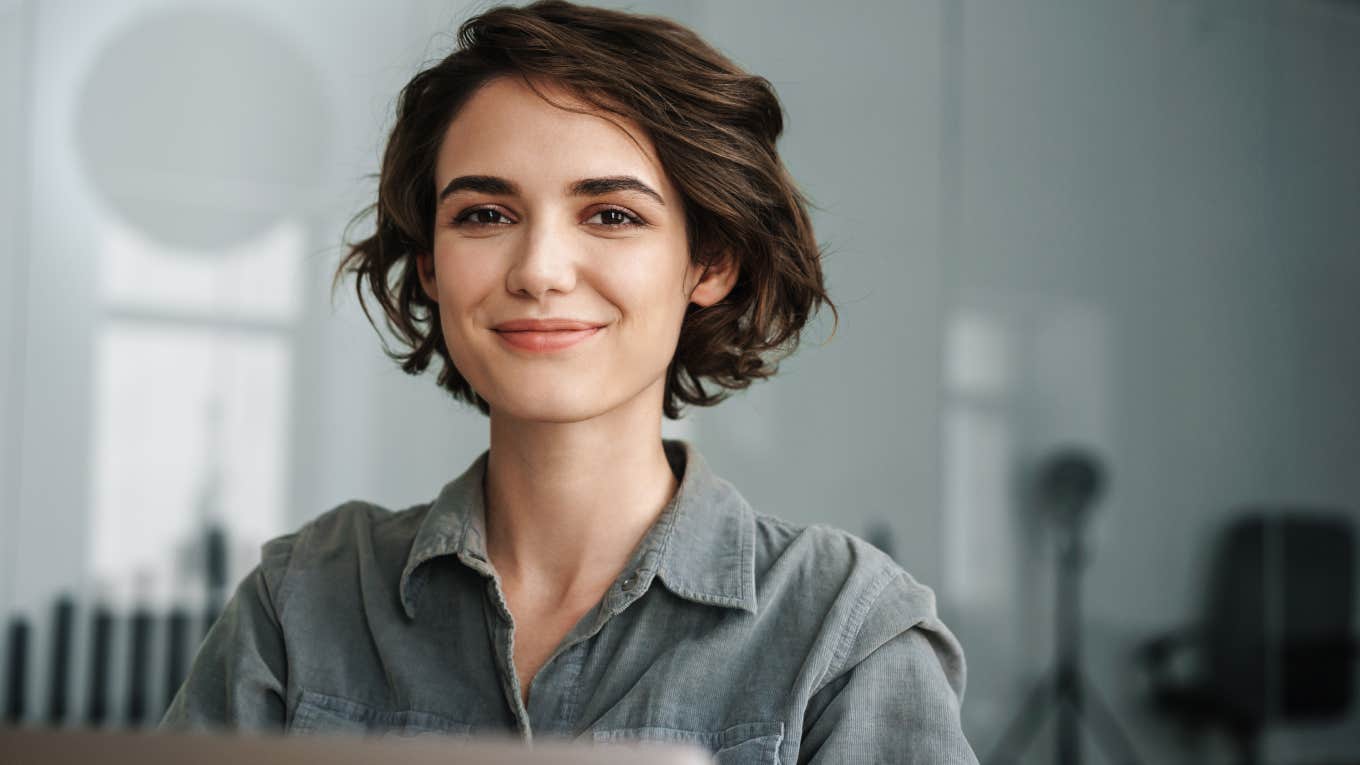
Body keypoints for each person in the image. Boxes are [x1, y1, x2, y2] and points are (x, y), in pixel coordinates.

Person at [162, 2, 979, 762]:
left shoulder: (844, 626)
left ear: (711, 260)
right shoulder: (302, 601)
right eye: (483, 214)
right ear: (431, 268)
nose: (540, 271)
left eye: (612, 215)